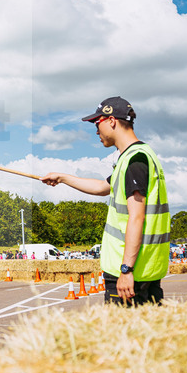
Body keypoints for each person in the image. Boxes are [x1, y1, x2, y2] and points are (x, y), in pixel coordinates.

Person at [40, 97, 170, 306]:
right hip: (146, 268)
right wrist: (62, 178)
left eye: (96, 123)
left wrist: (126, 270)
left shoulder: (134, 160)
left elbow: (136, 217)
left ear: (111, 121)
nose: (95, 130)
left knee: (123, 336)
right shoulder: (137, 156)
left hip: (130, 271)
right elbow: (103, 187)